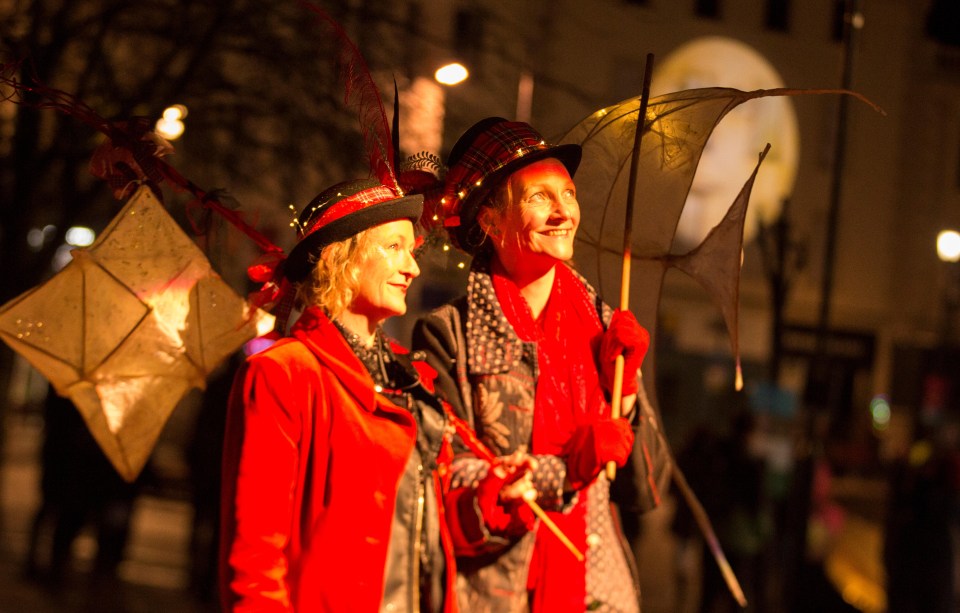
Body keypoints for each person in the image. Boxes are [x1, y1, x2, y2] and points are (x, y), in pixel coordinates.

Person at [219, 177, 520, 612]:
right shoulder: (284, 373)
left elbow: (424, 524)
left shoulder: (412, 380)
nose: (412, 268)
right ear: (344, 257)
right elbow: (255, 555)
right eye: (394, 248)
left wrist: (492, 497)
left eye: (411, 252)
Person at [413, 117, 670, 612]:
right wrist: (565, 471)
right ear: (488, 220)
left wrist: (630, 391)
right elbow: (450, 495)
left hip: (601, 593)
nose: (563, 213)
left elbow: (645, 489)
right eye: (539, 198)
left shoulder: (602, 324)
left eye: (568, 194)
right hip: (502, 595)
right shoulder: (450, 334)